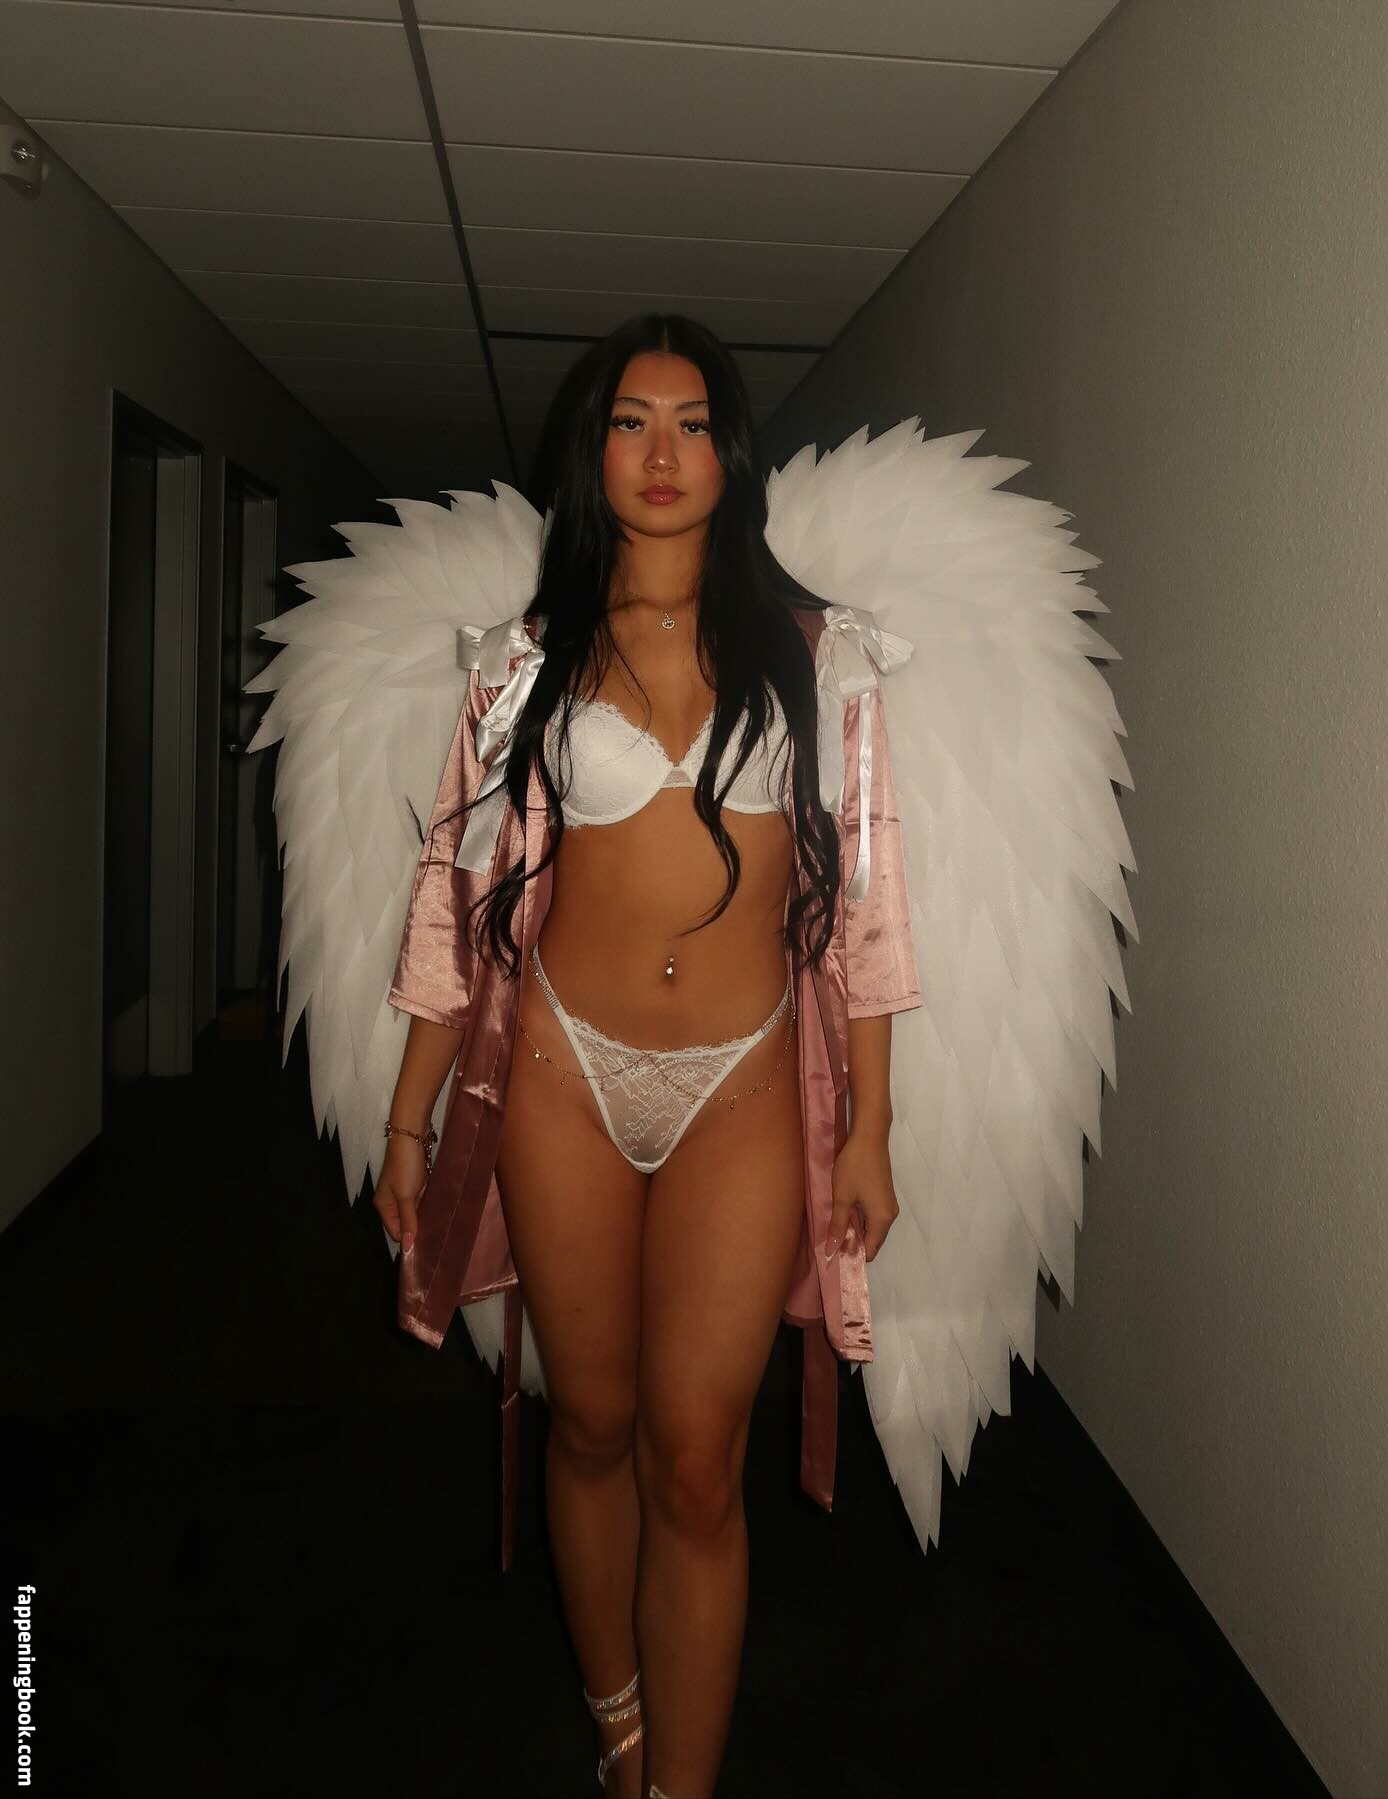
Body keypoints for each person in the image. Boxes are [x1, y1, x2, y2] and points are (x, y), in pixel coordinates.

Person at [371, 313, 923, 1799]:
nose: (661, 453)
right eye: (631, 421)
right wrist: (412, 1123)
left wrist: (871, 1126)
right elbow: (456, 903)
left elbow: (868, 907)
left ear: (730, 455)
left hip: (745, 1085)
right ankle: (616, 1718)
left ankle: (680, 1786)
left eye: (690, 423)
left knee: (695, 1457)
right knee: (596, 1423)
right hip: (563, 1076)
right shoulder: (521, 665)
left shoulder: (824, 659)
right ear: (594, 450)